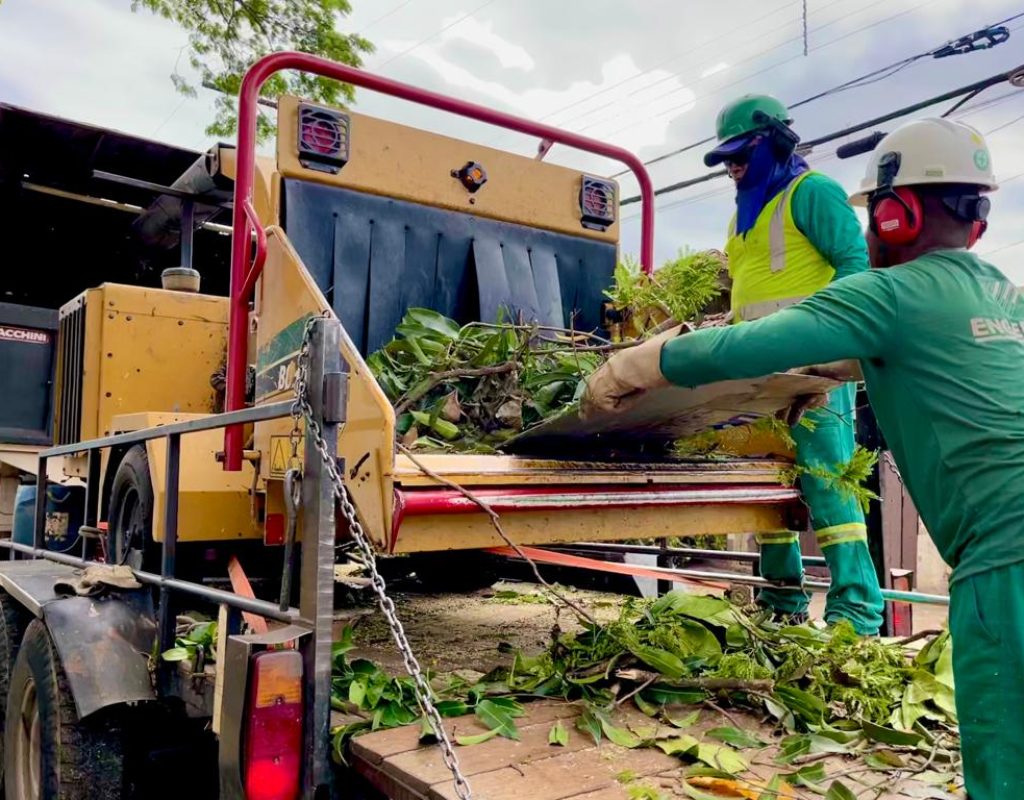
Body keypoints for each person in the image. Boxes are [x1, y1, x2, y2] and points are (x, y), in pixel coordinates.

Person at [584, 117, 1011, 799]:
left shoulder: (887, 291)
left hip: (1007, 563)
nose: (870, 230)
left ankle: (851, 608)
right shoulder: (1002, 294)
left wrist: (637, 363)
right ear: (980, 220)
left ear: (898, 215)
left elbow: (743, 348)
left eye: (875, 214)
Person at [700, 94, 884, 634]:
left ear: (776, 142)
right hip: (754, 376)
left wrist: (830, 345)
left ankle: (856, 615)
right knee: (766, 487)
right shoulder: (743, 215)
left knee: (829, 483)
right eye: (726, 158)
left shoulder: (815, 192)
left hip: (812, 371)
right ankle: (782, 605)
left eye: (741, 154)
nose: (733, 166)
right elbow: (749, 297)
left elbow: (856, 268)